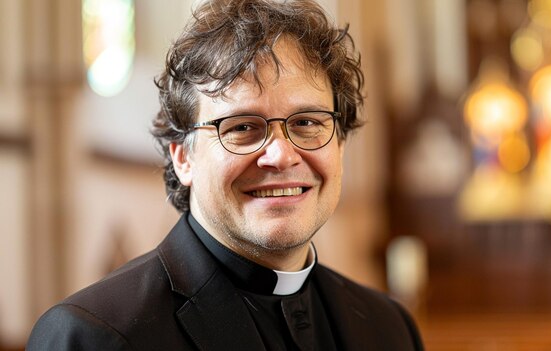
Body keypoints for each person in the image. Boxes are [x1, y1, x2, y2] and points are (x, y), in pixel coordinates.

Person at [27, 0, 425, 350]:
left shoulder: (390, 328)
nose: (281, 155)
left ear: (339, 144)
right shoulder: (93, 336)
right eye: (242, 127)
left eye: (306, 122)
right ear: (183, 158)